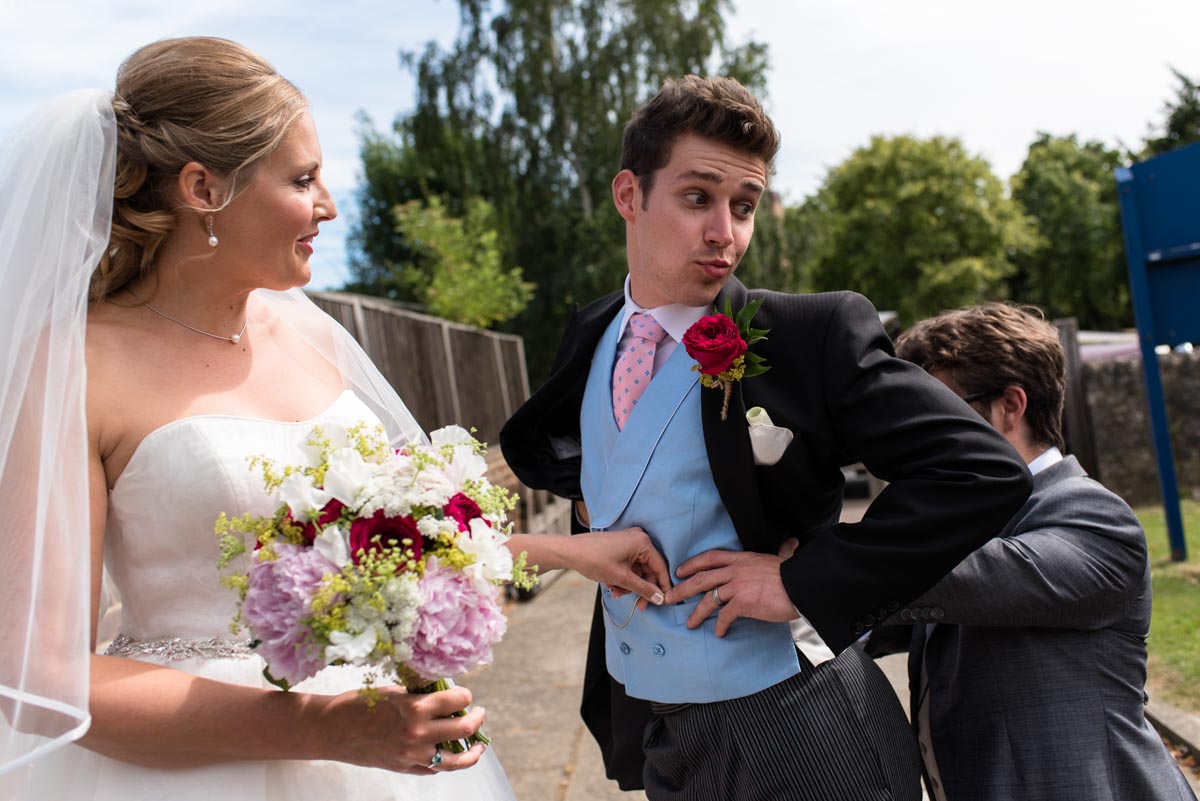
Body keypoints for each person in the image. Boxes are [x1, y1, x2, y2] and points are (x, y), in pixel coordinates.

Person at [0, 36, 671, 800]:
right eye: (304, 178)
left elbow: (400, 547)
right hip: (194, 767)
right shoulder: (75, 364)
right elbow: (40, 676)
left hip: (387, 758)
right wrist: (323, 727)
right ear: (202, 187)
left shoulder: (312, 336)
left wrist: (573, 552)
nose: (330, 205)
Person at [499, 75, 1033, 800]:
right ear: (630, 196)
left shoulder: (807, 333)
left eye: (743, 206)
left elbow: (981, 472)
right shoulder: (592, 332)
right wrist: (593, 513)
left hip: (802, 723)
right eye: (698, 198)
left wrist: (801, 579)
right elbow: (574, 448)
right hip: (655, 720)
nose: (726, 232)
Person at [885, 302, 1197, 801]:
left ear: (1011, 406)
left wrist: (813, 560)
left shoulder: (1096, 518)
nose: (918, 437)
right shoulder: (961, 528)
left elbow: (957, 577)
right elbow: (856, 614)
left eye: (936, 413)